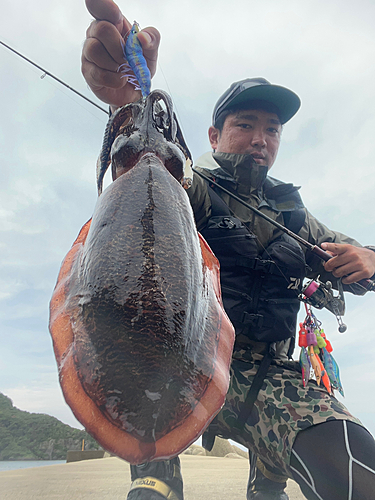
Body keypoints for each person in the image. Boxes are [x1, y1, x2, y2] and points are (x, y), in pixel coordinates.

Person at [81, 1, 375, 499]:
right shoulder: (191, 185)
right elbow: (150, 174)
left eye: (272, 128)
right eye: (245, 124)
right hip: (178, 364)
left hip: (271, 377)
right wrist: (128, 104)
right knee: (152, 492)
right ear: (215, 135)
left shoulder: (298, 217)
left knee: (356, 473)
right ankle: (156, 480)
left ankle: (267, 484)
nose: (260, 139)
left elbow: (360, 257)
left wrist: (369, 256)